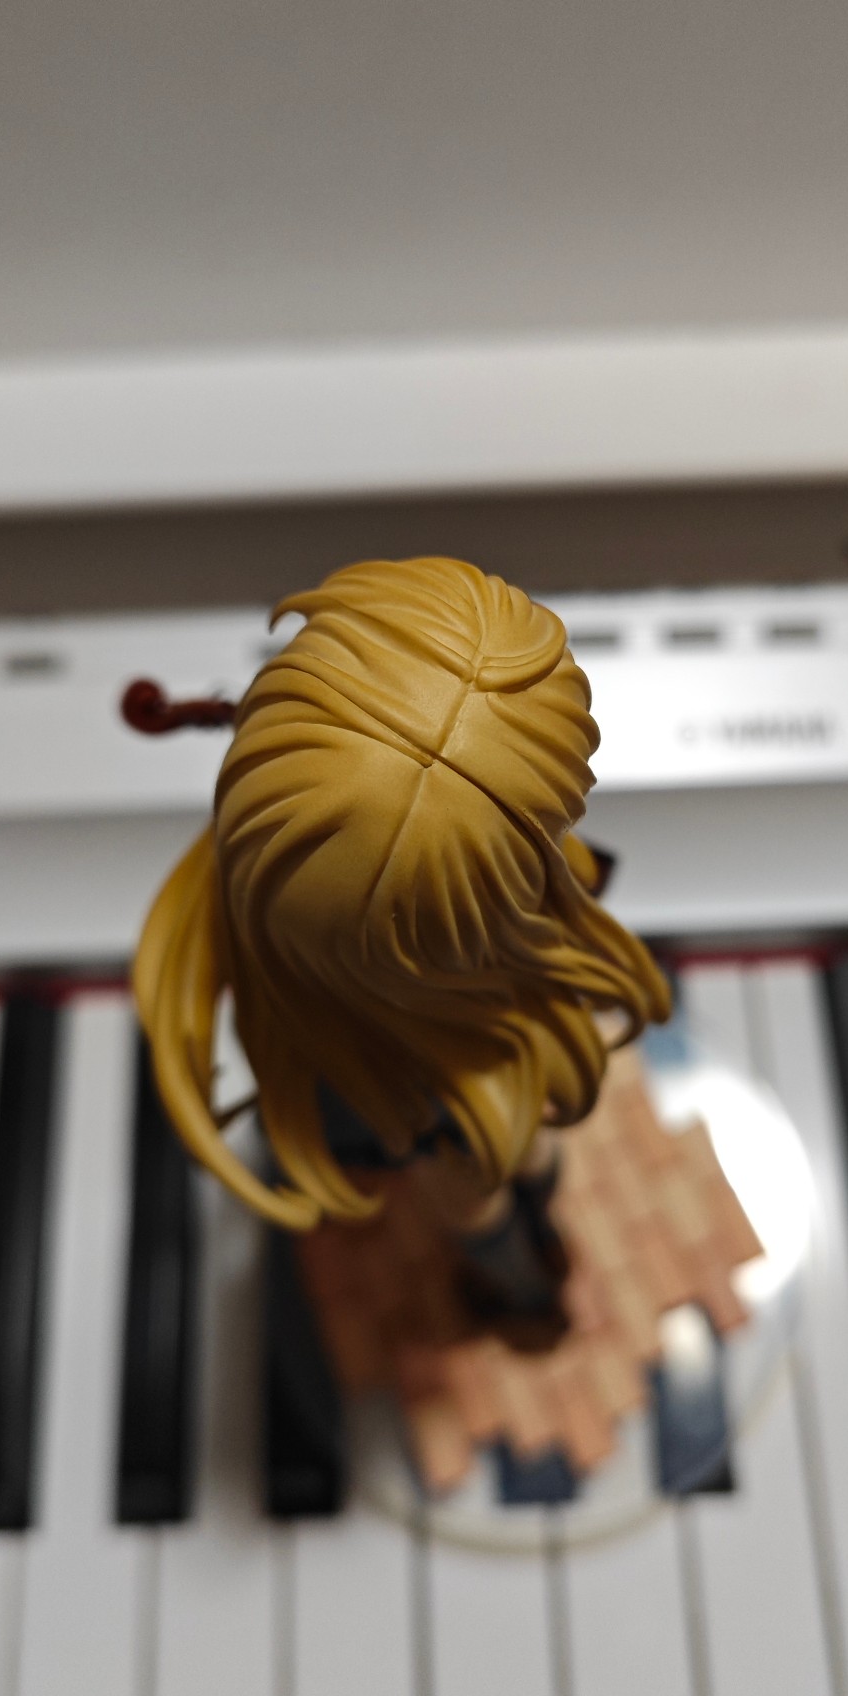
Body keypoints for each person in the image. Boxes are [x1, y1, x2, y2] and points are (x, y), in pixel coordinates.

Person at [128, 555, 670, 1347]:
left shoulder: (270, 912)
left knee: (490, 1176)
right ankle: (523, 1272)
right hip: (456, 1050)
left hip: (429, 1061)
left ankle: (522, 1268)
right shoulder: (518, 897)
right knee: (499, 1165)